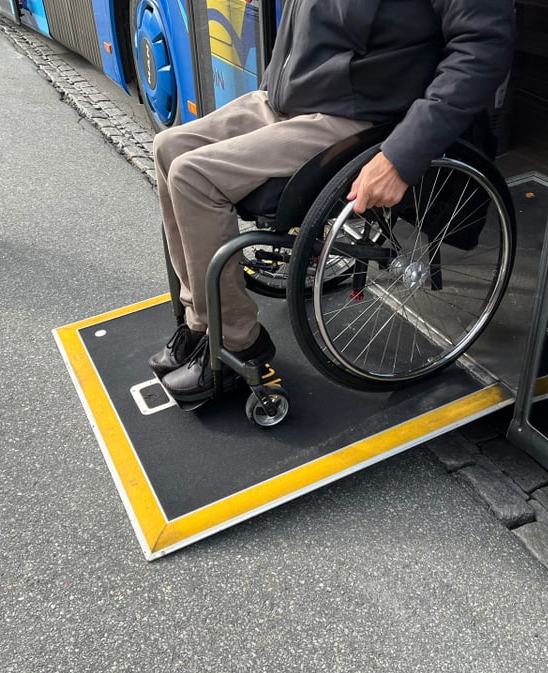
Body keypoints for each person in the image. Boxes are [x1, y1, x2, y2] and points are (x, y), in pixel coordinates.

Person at [150, 0, 516, 402]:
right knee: (167, 146)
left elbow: (483, 48)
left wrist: (402, 156)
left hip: (358, 114)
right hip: (290, 99)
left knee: (193, 176)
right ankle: (202, 322)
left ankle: (237, 341)